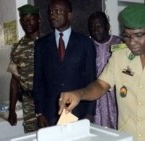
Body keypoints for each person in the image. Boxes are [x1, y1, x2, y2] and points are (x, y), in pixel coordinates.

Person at [59, 4, 145, 141]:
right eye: (127, 35)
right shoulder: (120, 56)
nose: (132, 42)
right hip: (128, 137)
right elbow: (102, 85)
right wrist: (79, 94)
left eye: (138, 35)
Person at [33, 0, 96, 128]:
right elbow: (38, 80)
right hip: (51, 112)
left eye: (58, 11)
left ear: (69, 15)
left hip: (79, 110)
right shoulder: (41, 45)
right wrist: (39, 113)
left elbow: (91, 79)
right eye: (51, 12)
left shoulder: (85, 43)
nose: (53, 15)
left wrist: (90, 113)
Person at [7, 4, 40, 133]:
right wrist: (12, 110)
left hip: (50, 101)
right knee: (31, 135)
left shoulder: (49, 42)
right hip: (28, 103)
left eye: (31, 18)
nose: (27, 22)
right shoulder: (17, 48)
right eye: (24, 19)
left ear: (39, 19)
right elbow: (14, 80)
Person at [88, 11, 121, 129]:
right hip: (94, 97)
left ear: (107, 26)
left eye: (99, 26)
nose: (96, 30)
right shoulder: (87, 45)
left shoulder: (121, 43)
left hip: (116, 97)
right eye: (92, 27)